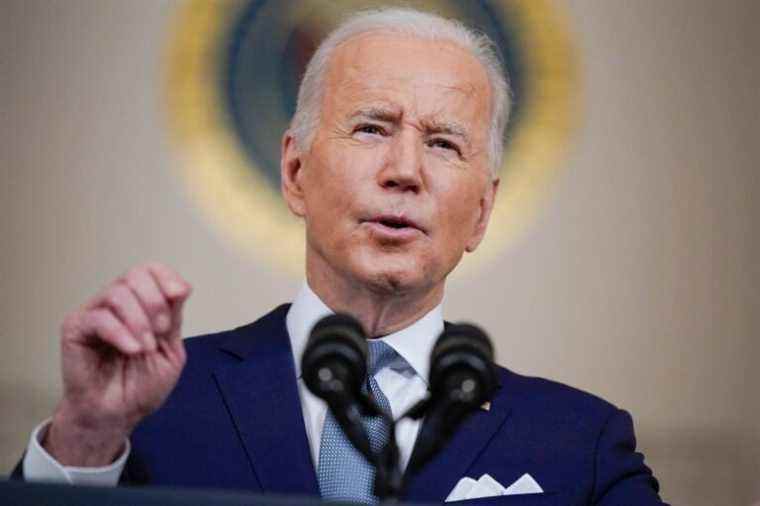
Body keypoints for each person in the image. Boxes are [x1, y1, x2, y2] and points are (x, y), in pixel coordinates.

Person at [13, 7, 666, 505]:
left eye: (443, 143)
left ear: (482, 211)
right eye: (372, 128)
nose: (405, 170)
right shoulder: (150, 407)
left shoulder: (580, 445)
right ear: (296, 172)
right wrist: (86, 438)